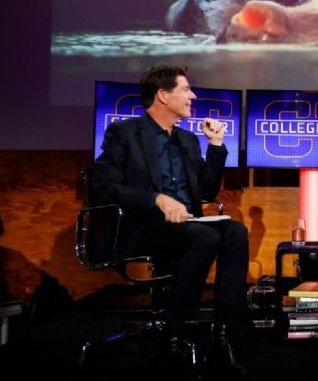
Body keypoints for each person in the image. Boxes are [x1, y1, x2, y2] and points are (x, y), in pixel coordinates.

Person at [91, 64, 249, 375]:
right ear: (163, 95)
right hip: (143, 226)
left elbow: (206, 190)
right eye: (186, 89)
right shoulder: (125, 133)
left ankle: (223, 332)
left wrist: (216, 145)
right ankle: (175, 333)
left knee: (235, 232)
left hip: (188, 225)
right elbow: (103, 188)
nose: (193, 96)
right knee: (205, 236)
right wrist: (156, 199)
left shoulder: (188, 140)